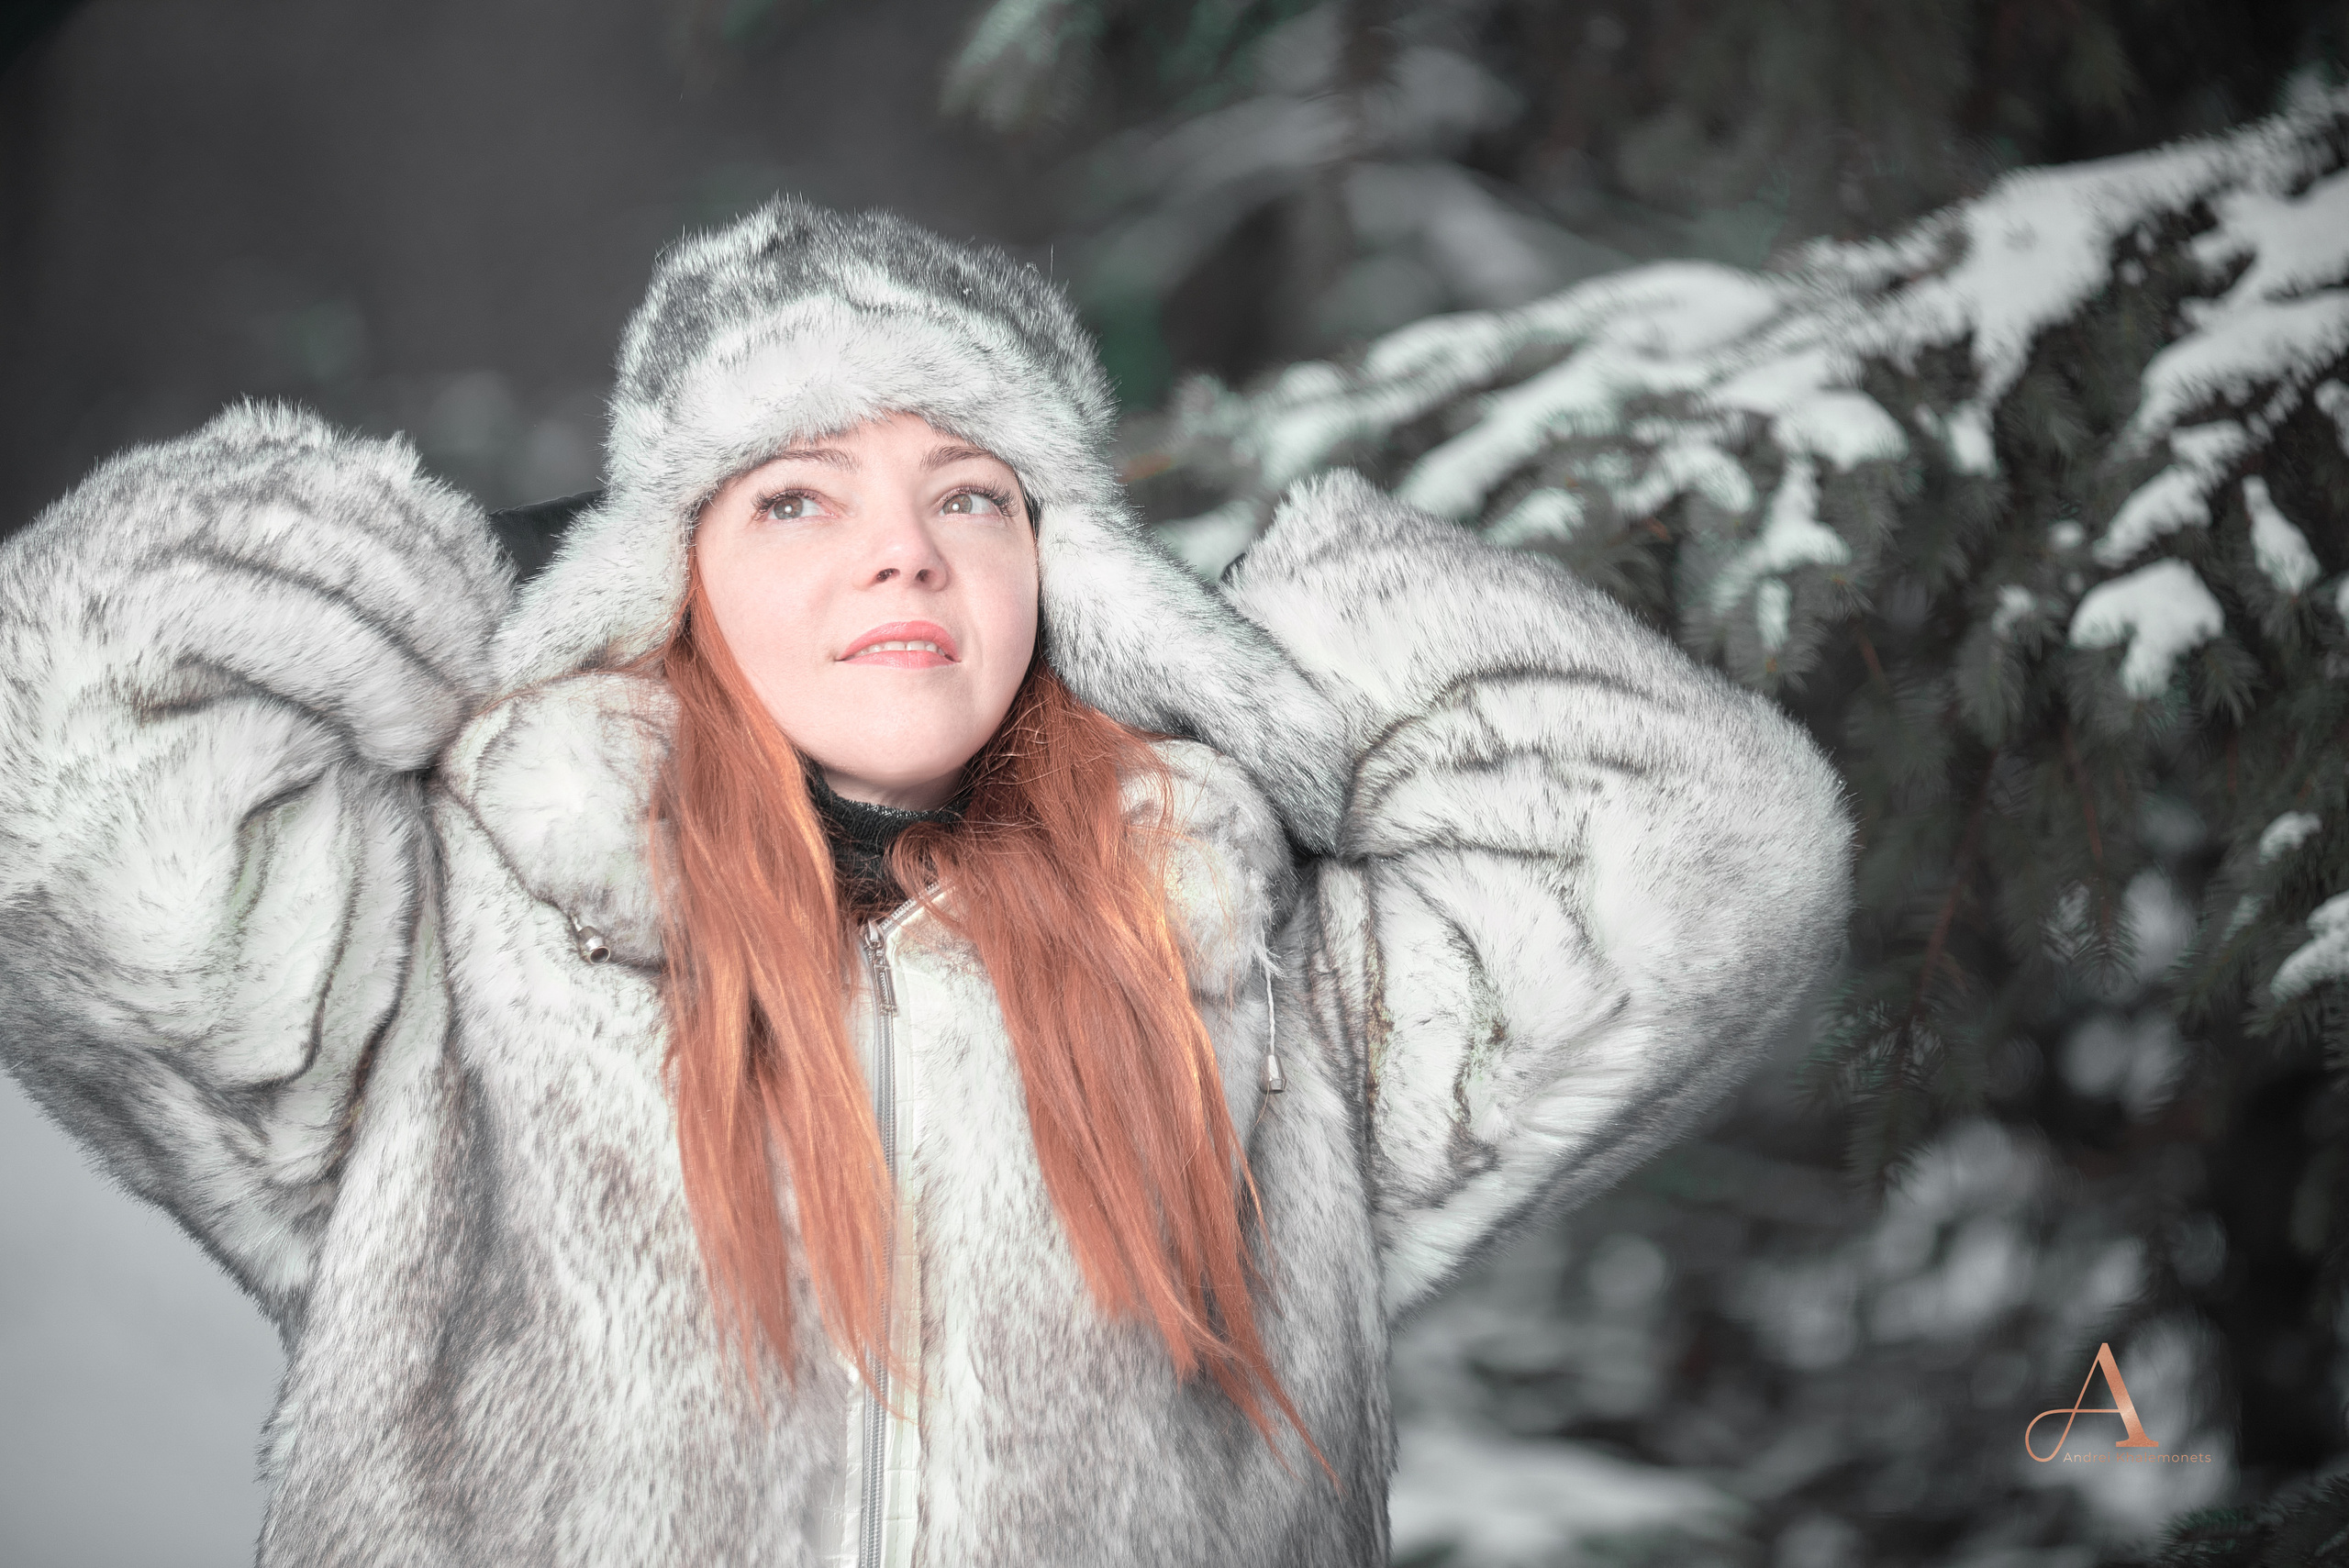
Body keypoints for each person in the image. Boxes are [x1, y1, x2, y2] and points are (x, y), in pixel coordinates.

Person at [0, 198, 1852, 1567]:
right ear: (668, 578)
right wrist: (394, 577)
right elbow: (62, 786)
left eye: (974, 495)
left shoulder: (1233, 970)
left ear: (1077, 577)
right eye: (795, 497)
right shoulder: (451, 951)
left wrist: (1266, 648)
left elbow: (1716, 852)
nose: (902, 554)